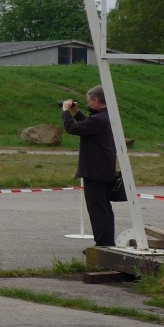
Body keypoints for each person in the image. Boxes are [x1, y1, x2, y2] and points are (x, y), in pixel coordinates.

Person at [62, 85, 118, 248]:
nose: (88, 103)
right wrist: (76, 113)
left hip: (95, 171)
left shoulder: (99, 119)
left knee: (97, 209)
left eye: (89, 100)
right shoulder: (106, 116)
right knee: (104, 208)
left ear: (96, 100)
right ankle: (107, 242)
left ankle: (103, 244)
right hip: (104, 169)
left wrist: (65, 112)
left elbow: (72, 128)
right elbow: (88, 125)